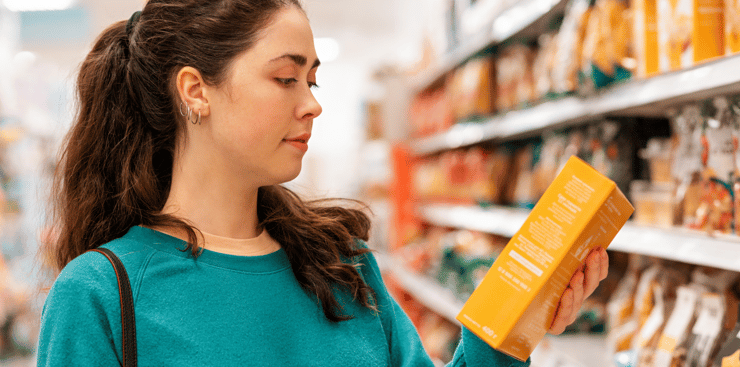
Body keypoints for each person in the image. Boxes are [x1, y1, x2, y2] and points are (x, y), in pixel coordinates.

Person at [36, 0, 610, 365]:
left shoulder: (341, 264)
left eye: (312, 81)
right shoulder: (101, 295)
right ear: (195, 91)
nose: (311, 105)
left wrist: (509, 335)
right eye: (285, 78)